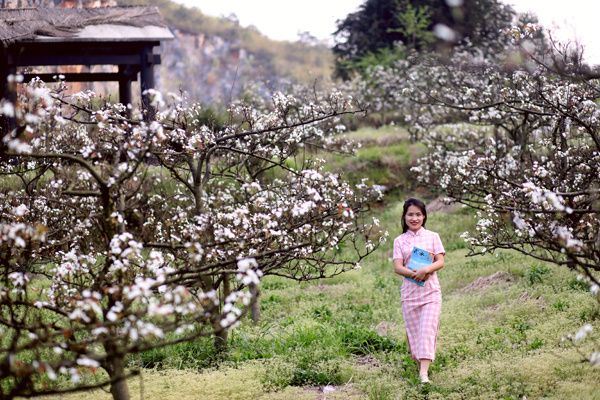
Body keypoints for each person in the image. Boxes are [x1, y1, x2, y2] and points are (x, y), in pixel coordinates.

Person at [393, 198, 445, 384]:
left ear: (424, 216)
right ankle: (417, 361)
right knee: (414, 335)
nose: (414, 218)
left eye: (418, 214)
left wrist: (426, 270)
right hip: (410, 295)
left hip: (431, 293)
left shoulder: (433, 236)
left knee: (427, 330)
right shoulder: (399, 240)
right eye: (410, 214)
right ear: (404, 216)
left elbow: (440, 261)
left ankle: (424, 375)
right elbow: (398, 267)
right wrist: (414, 273)